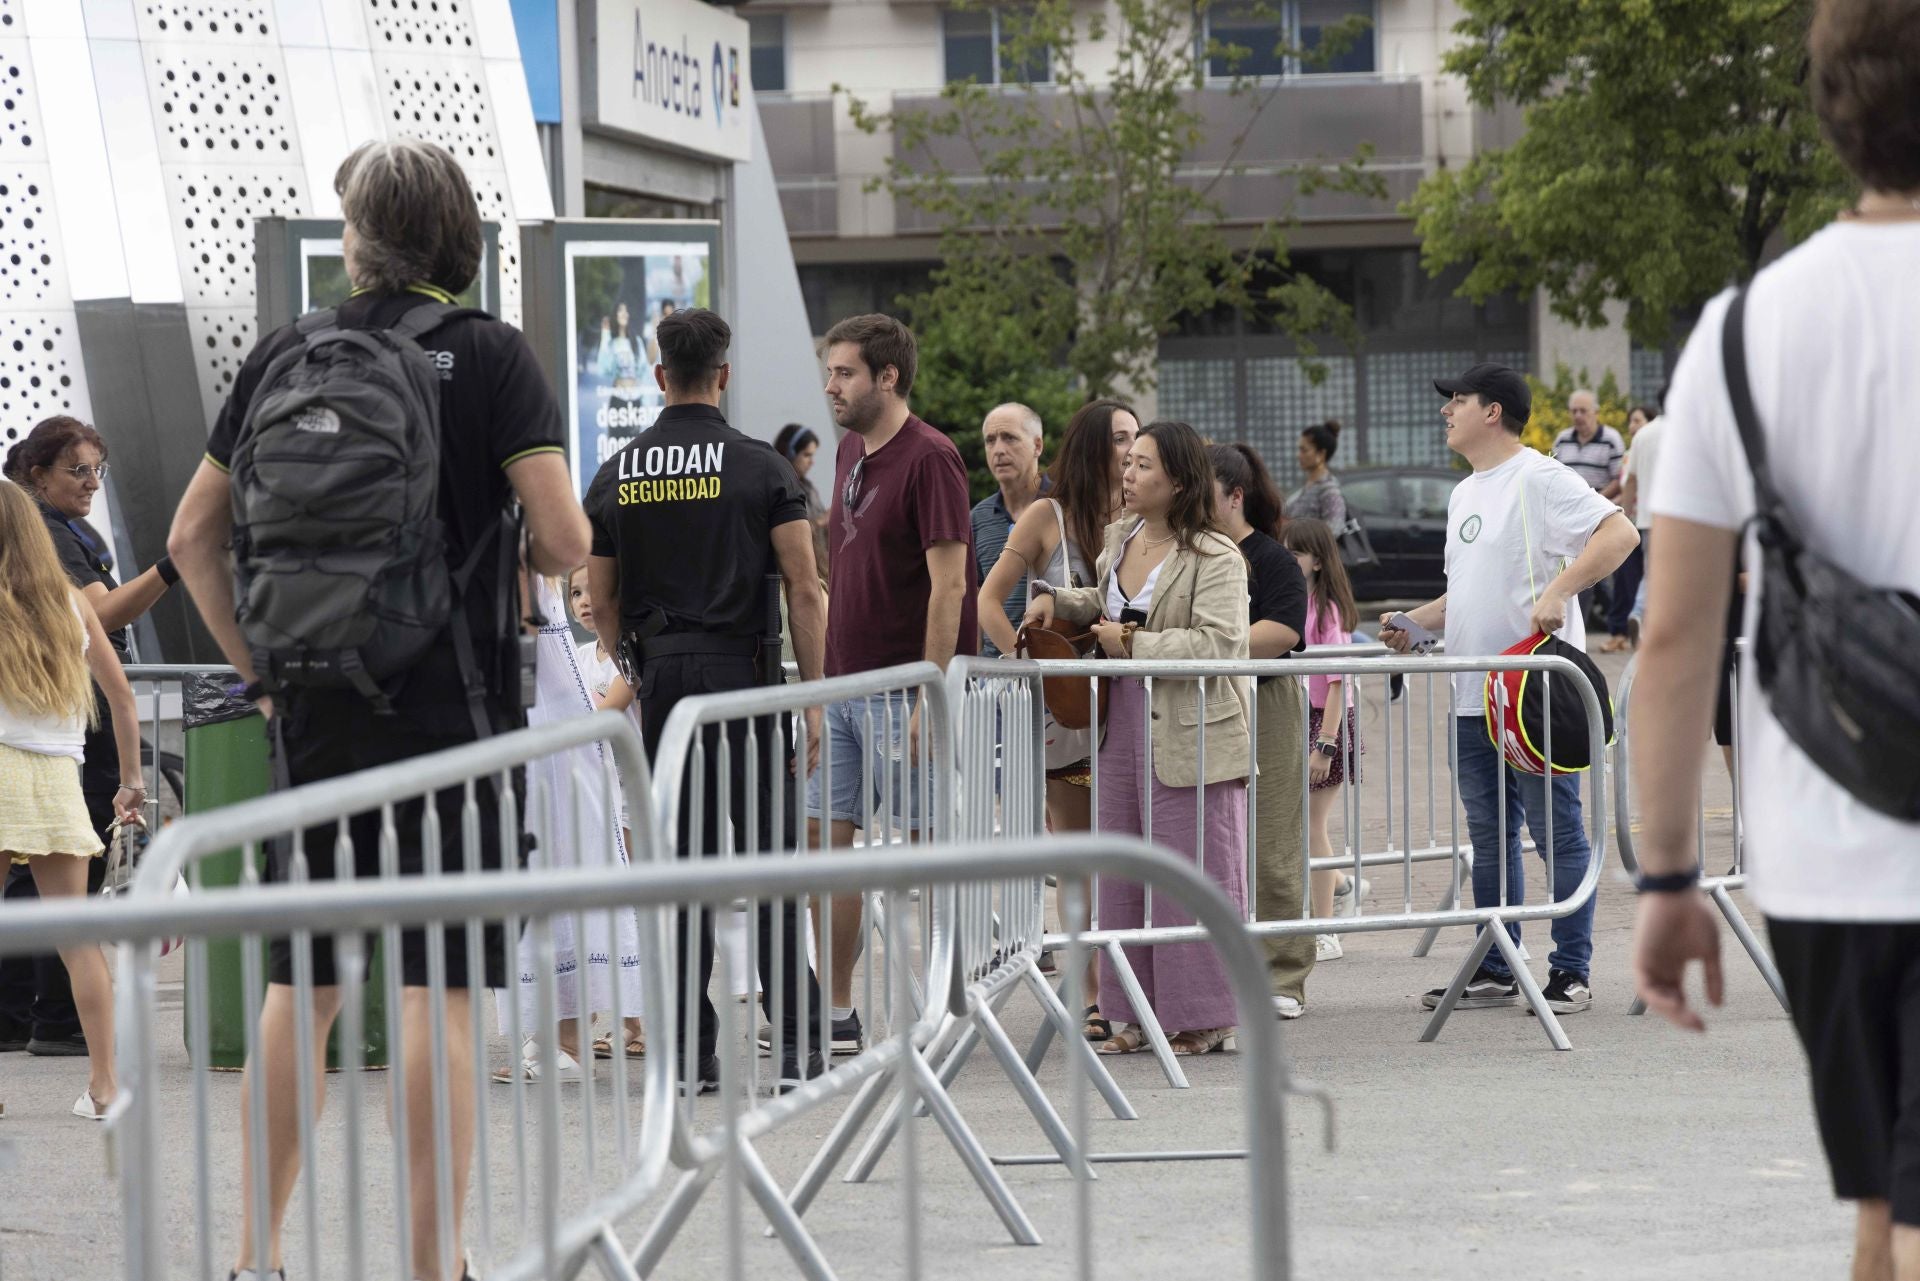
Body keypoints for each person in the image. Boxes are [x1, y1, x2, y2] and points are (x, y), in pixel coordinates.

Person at [168, 138, 590, 1281]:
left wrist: (260, 669)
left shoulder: (285, 352)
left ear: (357, 237)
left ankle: (254, 1256)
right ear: (461, 236)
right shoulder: (491, 355)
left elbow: (188, 538)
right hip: (450, 722)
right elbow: (561, 540)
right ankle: (428, 1259)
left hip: (313, 718)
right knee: (436, 988)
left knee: (299, 987)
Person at [1632, 9, 1920, 1276]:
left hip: (1823, 854)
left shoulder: (1744, 331)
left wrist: (1668, 878)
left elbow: (1676, 629)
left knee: (1881, 1212)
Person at [585, 307, 828, 1093]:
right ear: (723, 374)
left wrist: (637, 660)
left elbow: (601, 593)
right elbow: (804, 587)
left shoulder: (620, 470)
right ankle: (795, 1045)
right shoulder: (764, 469)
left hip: (667, 687)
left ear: (659, 375)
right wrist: (814, 701)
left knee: (683, 869)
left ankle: (691, 1053)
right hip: (747, 679)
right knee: (772, 861)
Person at [1383, 363, 1637, 1017]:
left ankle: (1572, 971)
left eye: (1457, 400)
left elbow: (1621, 532)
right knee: (1490, 837)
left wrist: (1559, 589)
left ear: (1492, 412)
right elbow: (1466, 590)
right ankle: (1497, 964)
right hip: (1472, 695)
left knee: (1558, 832)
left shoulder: (1540, 477)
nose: (1447, 411)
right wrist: (1418, 622)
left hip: (1530, 694)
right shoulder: (1464, 493)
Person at [1025, 422, 1251, 1058]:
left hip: (1191, 726)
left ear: (1177, 481)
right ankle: (1130, 1012)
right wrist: (1060, 604)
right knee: (1121, 871)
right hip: (1120, 718)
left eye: (1143, 464)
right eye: (1128, 460)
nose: (1127, 470)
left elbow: (1222, 646)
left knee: (1191, 872)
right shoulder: (1118, 537)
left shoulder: (1216, 556)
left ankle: (1202, 1018)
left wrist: (1136, 645)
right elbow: (1104, 600)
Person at [810, 314, 977, 1055]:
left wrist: (927, 692)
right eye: (830, 371)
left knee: (925, 849)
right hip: (840, 687)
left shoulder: (933, 457)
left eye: (844, 372)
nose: (831, 385)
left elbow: (952, 586)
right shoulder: (849, 448)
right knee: (825, 845)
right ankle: (838, 1010)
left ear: (888, 376)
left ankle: (945, 1003)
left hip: (902, 691)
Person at [1, 416, 179, 1056]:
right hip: (61, 756)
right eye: (78, 470)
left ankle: (29, 1017)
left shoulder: (70, 541)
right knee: (71, 918)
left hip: (34, 754)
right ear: (35, 478)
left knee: (37, 899)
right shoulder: (63, 575)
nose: (92, 483)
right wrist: (173, 564)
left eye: (98, 470)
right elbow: (113, 653)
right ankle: (85, 1060)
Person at [979, 399, 1139, 1037]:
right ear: (1096, 446)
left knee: (1130, 852)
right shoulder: (1050, 515)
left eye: (1138, 439)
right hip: (1064, 710)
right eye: (1122, 438)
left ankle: (1131, 986)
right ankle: (1093, 993)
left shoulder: (1140, 518)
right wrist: (1025, 665)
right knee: (1077, 858)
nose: (1132, 449)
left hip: (1129, 702)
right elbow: (991, 600)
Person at [0, 479, 143, 1120]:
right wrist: (132, 780)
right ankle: (105, 1086)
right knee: (77, 938)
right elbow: (121, 696)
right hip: (59, 776)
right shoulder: (72, 602)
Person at [491, 568, 645, 1084]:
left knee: (559, 870)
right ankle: (556, 1028)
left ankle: (572, 1037)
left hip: (550, 732)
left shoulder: (519, 554)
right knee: (540, 877)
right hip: (541, 723)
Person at [1209, 443, 1312, 1019]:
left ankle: (1284, 975)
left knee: (1272, 841)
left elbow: (1285, 632)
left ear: (1235, 496)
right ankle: (1215, 971)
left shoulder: (1270, 557)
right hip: (1200, 703)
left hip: (1267, 702)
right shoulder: (1185, 554)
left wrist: (1205, 650)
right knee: (1210, 842)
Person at [1283, 517, 1367, 963]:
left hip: (1327, 722)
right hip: (1307, 718)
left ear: (1317, 560)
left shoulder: (1327, 609)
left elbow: (1337, 681)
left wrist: (1327, 742)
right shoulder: (1300, 601)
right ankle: (1345, 886)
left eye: (1296, 552)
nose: (1289, 558)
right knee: (1303, 824)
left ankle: (1325, 927)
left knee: (1312, 825)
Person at [970, 403, 1049, 656]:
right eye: (990, 441)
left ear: (1038, 445)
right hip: (995, 675)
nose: (999, 450)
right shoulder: (977, 518)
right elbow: (974, 601)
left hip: (1056, 668)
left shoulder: (1066, 507)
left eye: (1009, 438)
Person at [1551, 389, 1627, 633]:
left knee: (1593, 570)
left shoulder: (1611, 439)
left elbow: (1619, 478)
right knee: (1583, 570)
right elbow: (1555, 475)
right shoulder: (1563, 439)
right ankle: (1610, 623)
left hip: (1599, 513)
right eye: (1574, 411)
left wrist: (1593, 501)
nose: (1578, 416)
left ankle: (1611, 623)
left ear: (1595, 412)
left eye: (1583, 411)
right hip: (1568, 515)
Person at [1599, 404, 1658, 651]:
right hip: (1635, 521)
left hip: (1640, 520)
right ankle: (1626, 625)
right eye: (1630, 421)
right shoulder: (1631, 452)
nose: (1632, 426)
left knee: (1645, 575)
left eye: (1637, 420)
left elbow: (1627, 485)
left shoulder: (1646, 443)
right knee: (1630, 577)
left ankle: (1637, 620)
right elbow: (1626, 487)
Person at [1617, 402, 1666, 648]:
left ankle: (1644, 619)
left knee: (1652, 572)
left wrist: (1624, 518)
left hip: (1647, 519)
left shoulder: (1643, 436)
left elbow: (1630, 480)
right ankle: (1641, 613)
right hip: (1676, 519)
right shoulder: (1681, 429)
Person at [1288, 420, 1347, 528]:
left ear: (1321, 454)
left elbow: (1334, 529)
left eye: (1304, 450)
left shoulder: (1329, 490)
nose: (1298, 455)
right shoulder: (1308, 485)